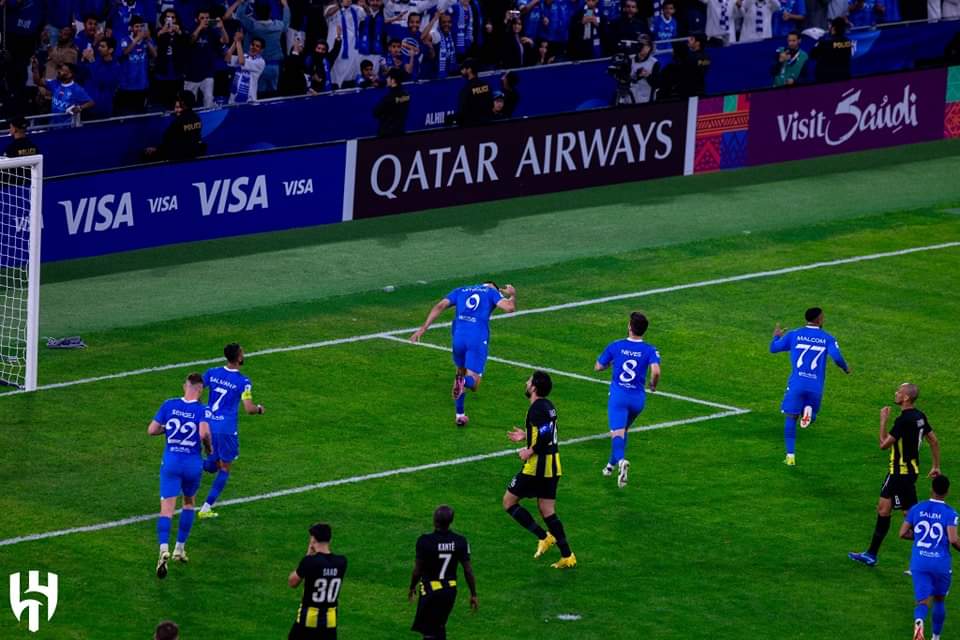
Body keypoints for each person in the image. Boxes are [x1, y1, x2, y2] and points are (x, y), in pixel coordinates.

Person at [849, 383, 941, 567]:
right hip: (907, 472)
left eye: (899, 391)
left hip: (900, 474)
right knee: (884, 510)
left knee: (909, 517)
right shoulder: (920, 416)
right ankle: (871, 555)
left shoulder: (903, 421)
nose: (896, 393)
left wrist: (883, 420)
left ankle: (935, 548)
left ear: (906, 398)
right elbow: (933, 441)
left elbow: (883, 445)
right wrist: (935, 466)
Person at [409, 281, 516, 426]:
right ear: (494, 287)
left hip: (458, 337)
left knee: (460, 371)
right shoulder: (491, 292)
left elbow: (440, 305)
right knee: (474, 383)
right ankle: (464, 382)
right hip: (476, 338)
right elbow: (510, 308)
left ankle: (459, 415)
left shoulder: (461, 290)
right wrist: (512, 295)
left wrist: (423, 328)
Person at [503, 371, 576, 569]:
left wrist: (529, 450)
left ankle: (544, 537)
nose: (526, 383)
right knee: (547, 510)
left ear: (534, 387)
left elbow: (545, 434)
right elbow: (546, 431)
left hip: (537, 467)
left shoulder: (536, 408)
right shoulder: (548, 406)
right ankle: (567, 555)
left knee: (509, 502)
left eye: (529, 381)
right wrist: (527, 436)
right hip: (553, 465)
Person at [147, 373, 212, 579]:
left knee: (166, 509)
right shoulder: (202, 410)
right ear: (200, 389)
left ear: (186, 386)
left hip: (171, 463)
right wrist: (209, 450)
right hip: (192, 464)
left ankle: (163, 548)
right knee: (189, 503)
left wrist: (167, 430)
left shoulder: (169, 404)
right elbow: (204, 433)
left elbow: (152, 430)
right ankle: (180, 548)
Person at [769, 306, 849, 466]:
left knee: (791, 417)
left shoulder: (794, 334)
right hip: (815, 386)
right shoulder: (827, 338)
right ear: (819, 319)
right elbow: (837, 357)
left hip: (797, 384)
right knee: (810, 416)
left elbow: (774, 348)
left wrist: (776, 336)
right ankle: (809, 414)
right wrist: (845, 368)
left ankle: (790, 457)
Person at [197, 342, 265, 519]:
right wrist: (259, 409)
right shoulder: (243, 382)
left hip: (208, 424)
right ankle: (205, 508)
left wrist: (201, 409)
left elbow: (196, 388)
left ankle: (188, 462)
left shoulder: (212, 372)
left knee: (213, 465)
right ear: (239, 357)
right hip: (226, 429)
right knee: (225, 468)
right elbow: (249, 408)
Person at [595, 312, 661, 488]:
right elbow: (655, 371)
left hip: (619, 398)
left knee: (617, 433)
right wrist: (653, 385)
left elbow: (598, 367)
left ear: (629, 327)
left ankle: (621, 461)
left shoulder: (616, 345)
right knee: (623, 430)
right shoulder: (650, 349)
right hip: (638, 400)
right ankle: (610, 466)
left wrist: (611, 362)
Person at [900, 475, 959, 640]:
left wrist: (919, 537)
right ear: (947, 492)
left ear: (931, 489)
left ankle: (919, 621)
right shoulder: (950, 513)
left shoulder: (916, 508)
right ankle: (935, 637)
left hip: (919, 563)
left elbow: (902, 533)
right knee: (939, 600)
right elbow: (953, 539)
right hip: (940, 563)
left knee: (923, 602)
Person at [408, 505, 478, 640]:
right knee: (439, 626)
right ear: (451, 521)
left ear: (434, 520)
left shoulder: (425, 541)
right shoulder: (460, 541)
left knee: (429, 631)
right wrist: (473, 594)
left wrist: (412, 587)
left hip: (430, 591)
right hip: (449, 591)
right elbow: (468, 570)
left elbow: (418, 570)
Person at [287, 523, 347, 639]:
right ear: (329, 539)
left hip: (307, 622)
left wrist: (308, 555)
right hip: (330, 623)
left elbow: (292, 582)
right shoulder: (342, 562)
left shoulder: (310, 561)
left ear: (313, 539)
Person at [144, 91, 204, 160]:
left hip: (177, 155)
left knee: (146, 153)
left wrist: (156, 149)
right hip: (193, 153)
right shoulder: (197, 118)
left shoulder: (179, 121)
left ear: (183, 103)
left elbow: (168, 140)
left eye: (179, 99)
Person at [226, 33, 267, 103]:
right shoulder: (244, 56)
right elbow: (227, 59)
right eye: (252, 45)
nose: (254, 47)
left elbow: (241, 62)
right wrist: (235, 42)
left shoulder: (260, 62)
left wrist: (238, 41)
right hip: (233, 98)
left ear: (261, 50)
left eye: (257, 46)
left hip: (248, 100)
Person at [810, 17, 851, 83]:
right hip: (843, 77)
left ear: (833, 28)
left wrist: (818, 41)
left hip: (828, 80)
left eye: (830, 26)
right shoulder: (848, 42)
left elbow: (812, 55)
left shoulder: (825, 43)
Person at [454, 58, 492, 127]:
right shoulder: (487, 86)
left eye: (463, 68)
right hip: (488, 125)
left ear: (469, 70)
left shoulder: (466, 90)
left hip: (472, 127)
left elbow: (463, 112)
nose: (461, 71)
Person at [373, 67, 410, 136]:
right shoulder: (406, 96)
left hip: (387, 134)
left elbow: (376, 112)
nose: (387, 79)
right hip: (400, 131)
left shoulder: (389, 98)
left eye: (388, 77)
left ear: (393, 80)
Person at [629, 35, 659, 103]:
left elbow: (656, 84)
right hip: (630, 99)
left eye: (644, 45)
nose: (641, 47)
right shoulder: (630, 60)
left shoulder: (654, 63)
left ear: (649, 47)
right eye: (639, 44)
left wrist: (647, 75)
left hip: (646, 101)